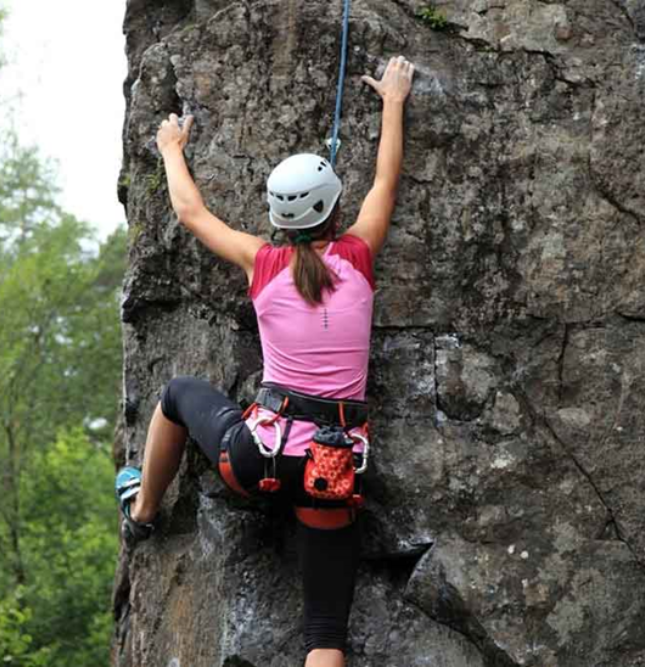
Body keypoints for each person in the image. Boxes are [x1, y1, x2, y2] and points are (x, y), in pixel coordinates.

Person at [116, 55, 414, 667]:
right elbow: (386, 183)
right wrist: (392, 101)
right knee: (324, 634)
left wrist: (173, 147)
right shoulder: (359, 256)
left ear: (277, 218)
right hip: (331, 470)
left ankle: (143, 509)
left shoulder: (263, 263)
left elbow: (191, 213)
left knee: (176, 395)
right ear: (335, 210)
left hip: (258, 458)